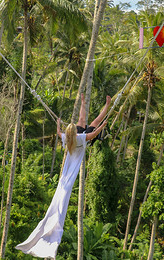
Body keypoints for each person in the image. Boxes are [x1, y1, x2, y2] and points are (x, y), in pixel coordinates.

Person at [15, 94, 110, 259]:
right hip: (84, 143)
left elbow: (59, 132)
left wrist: (59, 123)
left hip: (78, 142)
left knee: (83, 118)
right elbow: (93, 135)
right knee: (95, 122)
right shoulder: (81, 138)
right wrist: (102, 127)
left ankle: (89, 103)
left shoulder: (67, 138)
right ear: (74, 133)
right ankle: (107, 104)